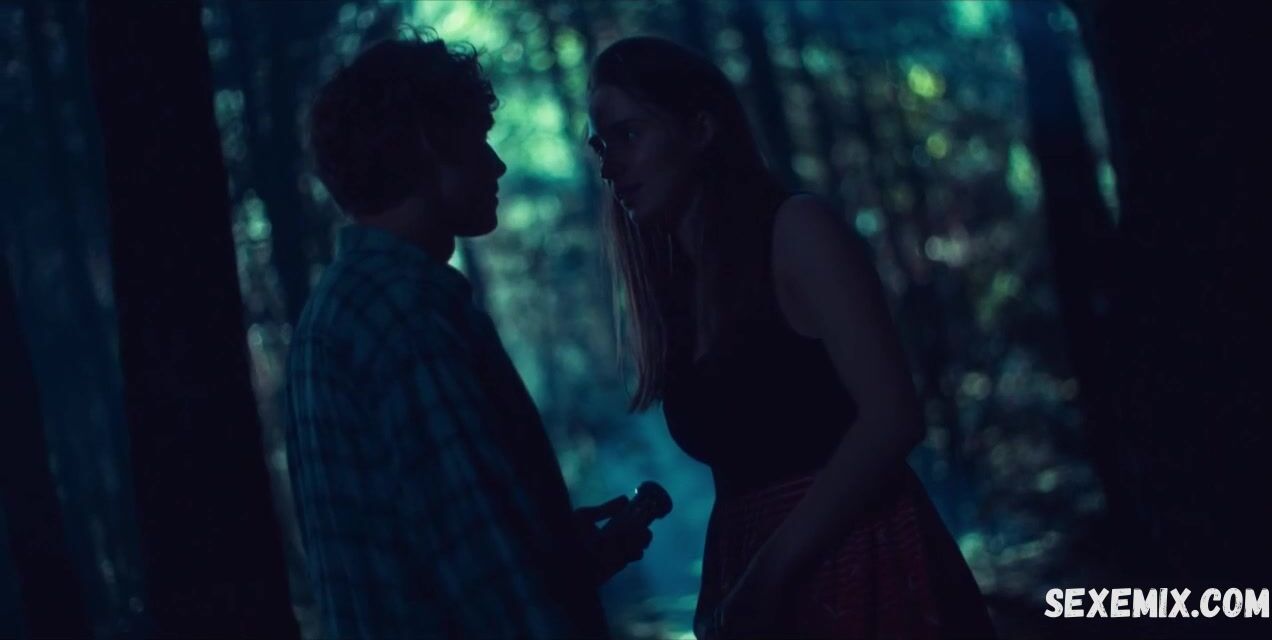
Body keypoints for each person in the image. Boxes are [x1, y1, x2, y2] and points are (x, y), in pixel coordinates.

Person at [585, 36, 997, 639]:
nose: (609, 166)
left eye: (627, 134)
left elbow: (893, 419)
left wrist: (765, 576)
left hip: (866, 562)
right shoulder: (676, 287)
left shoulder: (798, 231)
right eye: (600, 145)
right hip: (761, 584)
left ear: (700, 129)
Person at [285, 34, 649, 639]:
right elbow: (488, 576)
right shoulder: (405, 313)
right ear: (432, 142)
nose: (496, 165)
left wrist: (560, 556)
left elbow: (434, 547)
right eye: (479, 139)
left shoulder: (343, 309)